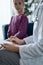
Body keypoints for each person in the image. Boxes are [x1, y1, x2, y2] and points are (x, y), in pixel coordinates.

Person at [0, 0, 43, 65]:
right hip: (26, 45)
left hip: (37, 58)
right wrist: (21, 41)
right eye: (15, 4)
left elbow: (41, 47)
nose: (17, 6)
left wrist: (17, 48)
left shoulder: (24, 17)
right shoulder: (40, 5)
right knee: (3, 47)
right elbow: (37, 36)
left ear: (23, 5)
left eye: (19, 3)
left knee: (1, 53)